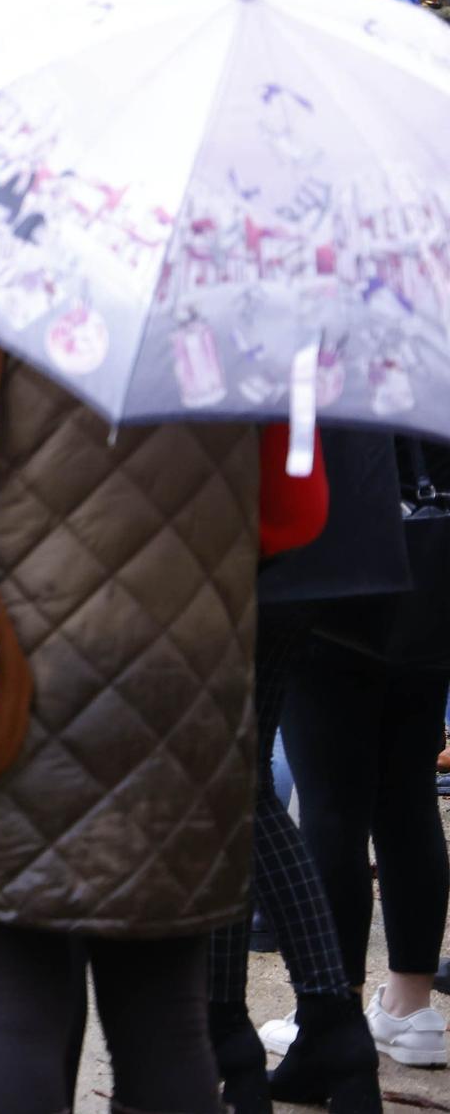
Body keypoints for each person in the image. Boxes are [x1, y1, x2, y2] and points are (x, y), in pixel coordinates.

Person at [0, 305, 327, 1114]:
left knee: (11, 1018)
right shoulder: (249, 298)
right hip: (186, 693)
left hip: (6, 690)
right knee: (166, 1024)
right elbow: (295, 510)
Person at [208, 431, 407, 1114]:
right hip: (349, 531)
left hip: (270, 535)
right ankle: (316, 1030)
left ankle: (251, 1028)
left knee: (232, 781)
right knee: (242, 781)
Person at [260, 437, 450, 1083]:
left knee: (332, 803)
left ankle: (329, 1014)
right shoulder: (429, 345)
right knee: (409, 792)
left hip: (336, 579)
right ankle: (411, 1003)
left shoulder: (328, 348)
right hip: (432, 576)